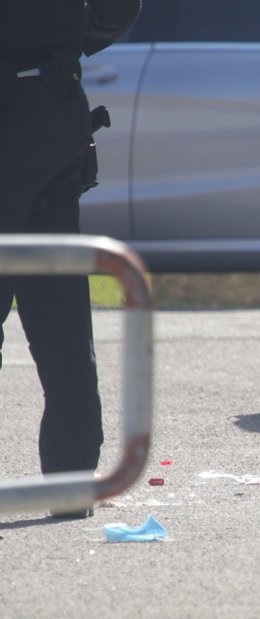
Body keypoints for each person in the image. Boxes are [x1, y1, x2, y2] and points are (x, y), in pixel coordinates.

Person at [0, 1, 142, 518]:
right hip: (51, 106)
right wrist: (62, 41)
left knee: (57, 303)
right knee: (58, 308)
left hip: (31, 103)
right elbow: (116, 9)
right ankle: (70, 480)